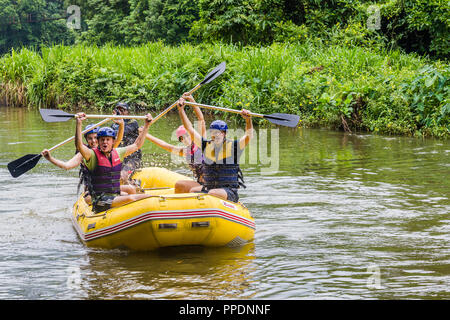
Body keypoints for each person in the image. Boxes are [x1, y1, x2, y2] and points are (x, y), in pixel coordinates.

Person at [177, 97, 254, 203]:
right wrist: (181, 110)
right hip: (209, 189)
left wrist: (248, 120)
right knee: (192, 191)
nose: (216, 135)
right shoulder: (206, 145)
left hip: (228, 191)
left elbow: (248, 136)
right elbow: (189, 128)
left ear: (224, 134)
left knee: (213, 194)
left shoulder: (234, 146)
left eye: (219, 132)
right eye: (214, 132)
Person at [75, 111, 154, 213]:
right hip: (100, 200)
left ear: (113, 142)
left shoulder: (118, 152)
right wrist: (79, 124)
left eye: (108, 140)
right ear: (98, 142)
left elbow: (137, 145)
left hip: (115, 195)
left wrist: (147, 125)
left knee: (132, 192)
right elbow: (79, 146)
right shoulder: (91, 155)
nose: (105, 142)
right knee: (132, 199)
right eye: (102, 140)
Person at [41, 120, 135, 203]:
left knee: (130, 189)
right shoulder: (84, 153)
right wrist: (50, 158)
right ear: (86, 139)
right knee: (127, 195)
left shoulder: (105, 148)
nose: (93, 141)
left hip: (108, 189)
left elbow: (117, 140)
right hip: (92, 192)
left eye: (95, 138)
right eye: (90, 138)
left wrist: (121, 124)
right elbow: (67, 165)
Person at [145, 92, 206, 193]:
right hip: (200, 183)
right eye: (182, 138)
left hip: (211, 184)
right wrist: (146, 134)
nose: (185, 139)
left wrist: (191, 101)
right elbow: (165, 145)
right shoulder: (185, 151)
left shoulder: (201, 143)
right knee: (179, 185)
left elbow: (201, 119)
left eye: (187, 135)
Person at [111, 102, 142, 183]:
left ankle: (132, 188)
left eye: (122, 110)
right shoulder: (113, 125)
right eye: (118, 110)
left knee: (123, 175)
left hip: (133, 158)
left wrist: (120, 123)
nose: (120, 112)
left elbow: (123, 132)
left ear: (127, 112)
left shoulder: (133, 123)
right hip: (119, 158)